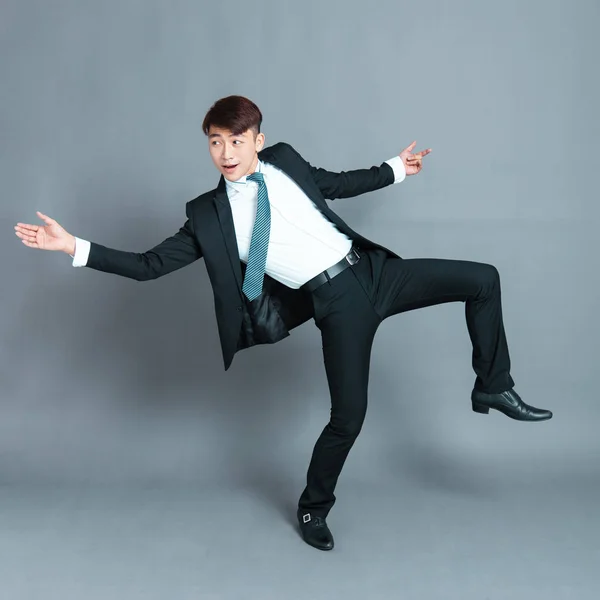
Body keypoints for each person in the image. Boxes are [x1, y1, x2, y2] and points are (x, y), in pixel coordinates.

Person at [14, 95, 552, 551]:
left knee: (483, 279)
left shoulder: (286, 161)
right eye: (214, 142)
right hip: (336, 303)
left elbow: (337, 183)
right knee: (350, 417)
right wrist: (74, 246)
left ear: (258, 139)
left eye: (234, 140)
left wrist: (395, 168)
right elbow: (148, 265)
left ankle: (493, 387)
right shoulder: (207, 215)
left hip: (375, 272)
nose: (224, 153)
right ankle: (314, 508)